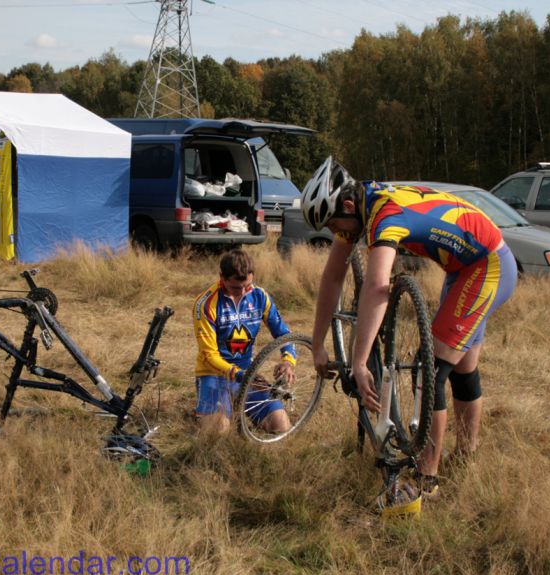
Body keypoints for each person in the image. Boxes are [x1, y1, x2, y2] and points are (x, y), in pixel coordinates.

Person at [302, 157, 518, 497]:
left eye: (333, 224)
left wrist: (359, 363)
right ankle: (465, 456)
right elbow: (332, 278)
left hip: (486, 266)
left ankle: (426, 479)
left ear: (346, 204)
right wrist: (318, 344)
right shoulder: (362, 206)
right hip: (463, 267)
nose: (337, 234)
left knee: (428, 368)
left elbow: (377, 288)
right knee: (462, 366)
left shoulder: (383, 217)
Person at [193, 249, 296, 433]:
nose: (242, 292)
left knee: (281, 427)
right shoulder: (206, 304)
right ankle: (210, 412)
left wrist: (288, 361)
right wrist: (244, 376)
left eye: (247, 286)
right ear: (221, 277)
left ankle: (236, 409)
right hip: (214, 375)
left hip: (246, 374)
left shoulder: (260, 296)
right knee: (219, 432)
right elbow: (209, 356)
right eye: (235, 288)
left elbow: (283, 334)